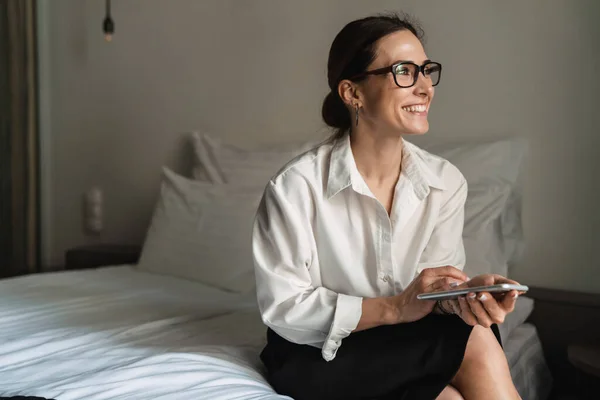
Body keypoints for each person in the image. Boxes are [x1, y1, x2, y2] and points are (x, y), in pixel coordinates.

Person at [252, 12, 523, 400]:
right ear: (352, 93)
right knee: (476, 344)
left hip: (405, 342)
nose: (425, 87)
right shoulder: (295, 187)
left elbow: (430, 293)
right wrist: (393, 308)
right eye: (404, 71)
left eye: (426, 70)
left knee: (455, 380)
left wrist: (462, 297)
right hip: (317, 351)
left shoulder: (445, 182)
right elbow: (285, 309)